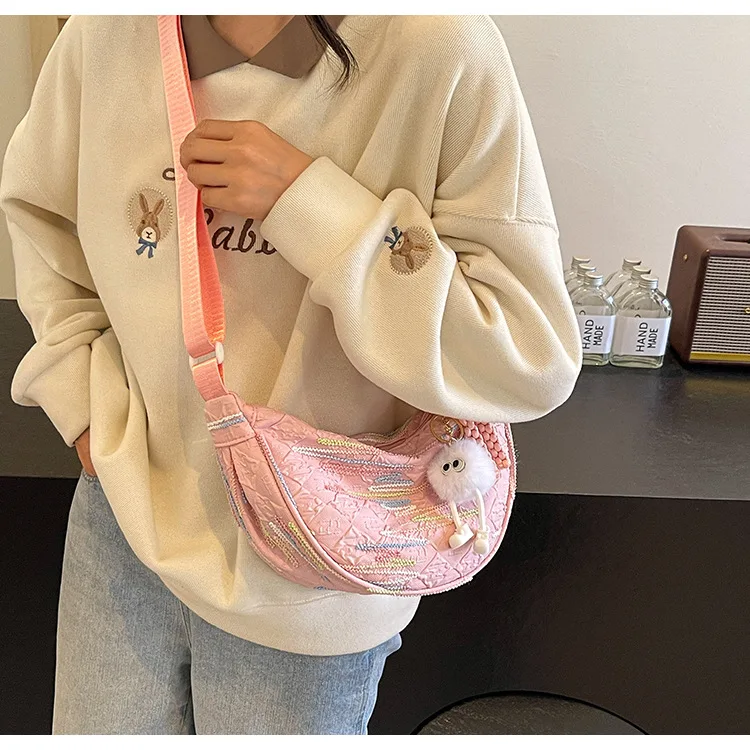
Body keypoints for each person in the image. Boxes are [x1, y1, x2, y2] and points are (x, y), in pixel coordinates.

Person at [0, 14, 582, 735]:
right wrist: (82, 408)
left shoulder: (438, 43)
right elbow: (43, 220)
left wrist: (307, 202)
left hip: (314, 561)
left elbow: (525, 354)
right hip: (121, 516)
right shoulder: (109, 29)